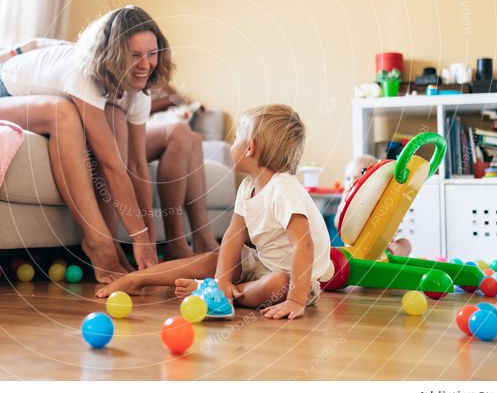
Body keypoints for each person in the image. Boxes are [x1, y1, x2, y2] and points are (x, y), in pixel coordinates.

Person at [0, 6, 173, 283]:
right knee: (62, 111)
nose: (145, 65)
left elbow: (135, 165)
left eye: (152, 54)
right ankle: (98, 243)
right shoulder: (83, 72)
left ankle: (110, 242)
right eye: (135, 56)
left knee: (114, 117)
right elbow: (111, 164)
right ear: (113, 55)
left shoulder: (140, 94)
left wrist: (146, 238)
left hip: (34, 105)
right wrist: (137, 236)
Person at [96, 104, 332, 320]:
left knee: (278, 283)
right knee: (213, 258)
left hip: (297, 277)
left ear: (250, 148)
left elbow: (304, 245)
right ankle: (137, 280)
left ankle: (213, 293)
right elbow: (233, 236)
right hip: (262, 262)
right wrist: (223, 278)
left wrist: (295, 299)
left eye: (237, 138)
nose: (233, 144)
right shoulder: (248, 185)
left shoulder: (284, 190)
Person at [145, 85, 219, 258]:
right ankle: (176, 243)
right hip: (122, 129)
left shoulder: (161, 83)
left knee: (194, 139)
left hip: (145, 127)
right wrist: (166, 101)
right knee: (180, 131)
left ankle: (203, 239)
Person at [335, 154, 412, 257]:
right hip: (356, 251)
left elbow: (394, 224)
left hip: (384, 249)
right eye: (348, 178)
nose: (351, 182)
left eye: (359, 178)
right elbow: (338, 224)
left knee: (405, 243)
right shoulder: (346, 201)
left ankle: (396, 254)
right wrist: (344, 203)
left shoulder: (381, 199)